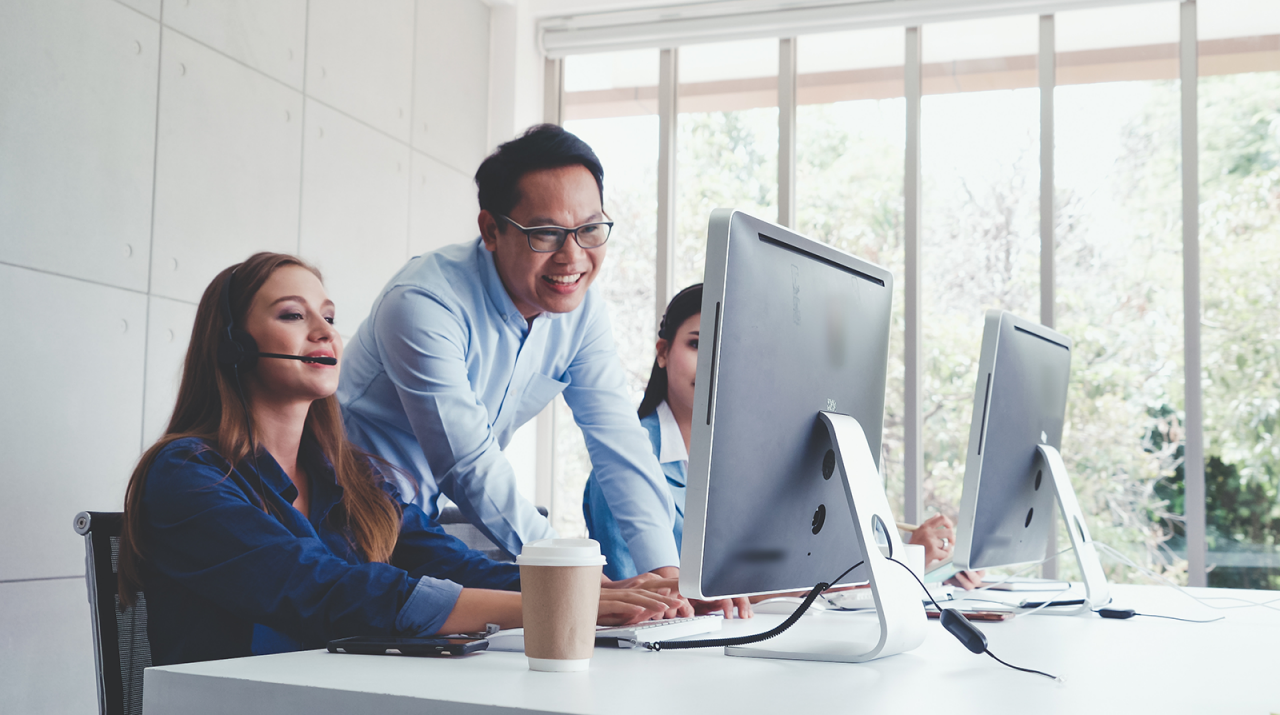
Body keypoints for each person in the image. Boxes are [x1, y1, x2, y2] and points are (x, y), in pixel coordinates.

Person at [117, 253, 682, 666]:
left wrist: (585, 586)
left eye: (329, 316)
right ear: (234, 347)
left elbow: (448, 561)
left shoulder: (347, 474)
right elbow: (328, 589)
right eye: (293, 316)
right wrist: (548, 603)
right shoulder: (187, 475)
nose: (324, 333)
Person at [337, 125, 679, 582]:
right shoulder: (422, 303)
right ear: (491, 230)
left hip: (419, 524)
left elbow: (617, 439)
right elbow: (468, 464)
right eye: (547, 234)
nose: (572, 257)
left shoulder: (580, 309)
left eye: (591, 229)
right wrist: (571, 570)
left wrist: (667, 572)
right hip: (338, 515)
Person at [584, 283, 984, 595]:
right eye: (696, 344)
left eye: (729, 350)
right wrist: (902, 563)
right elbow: (641, 595)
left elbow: (798, 572)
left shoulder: (759, 462)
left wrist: (925, 566)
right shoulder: (622, 467)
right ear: (663, 352)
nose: (713, 365)